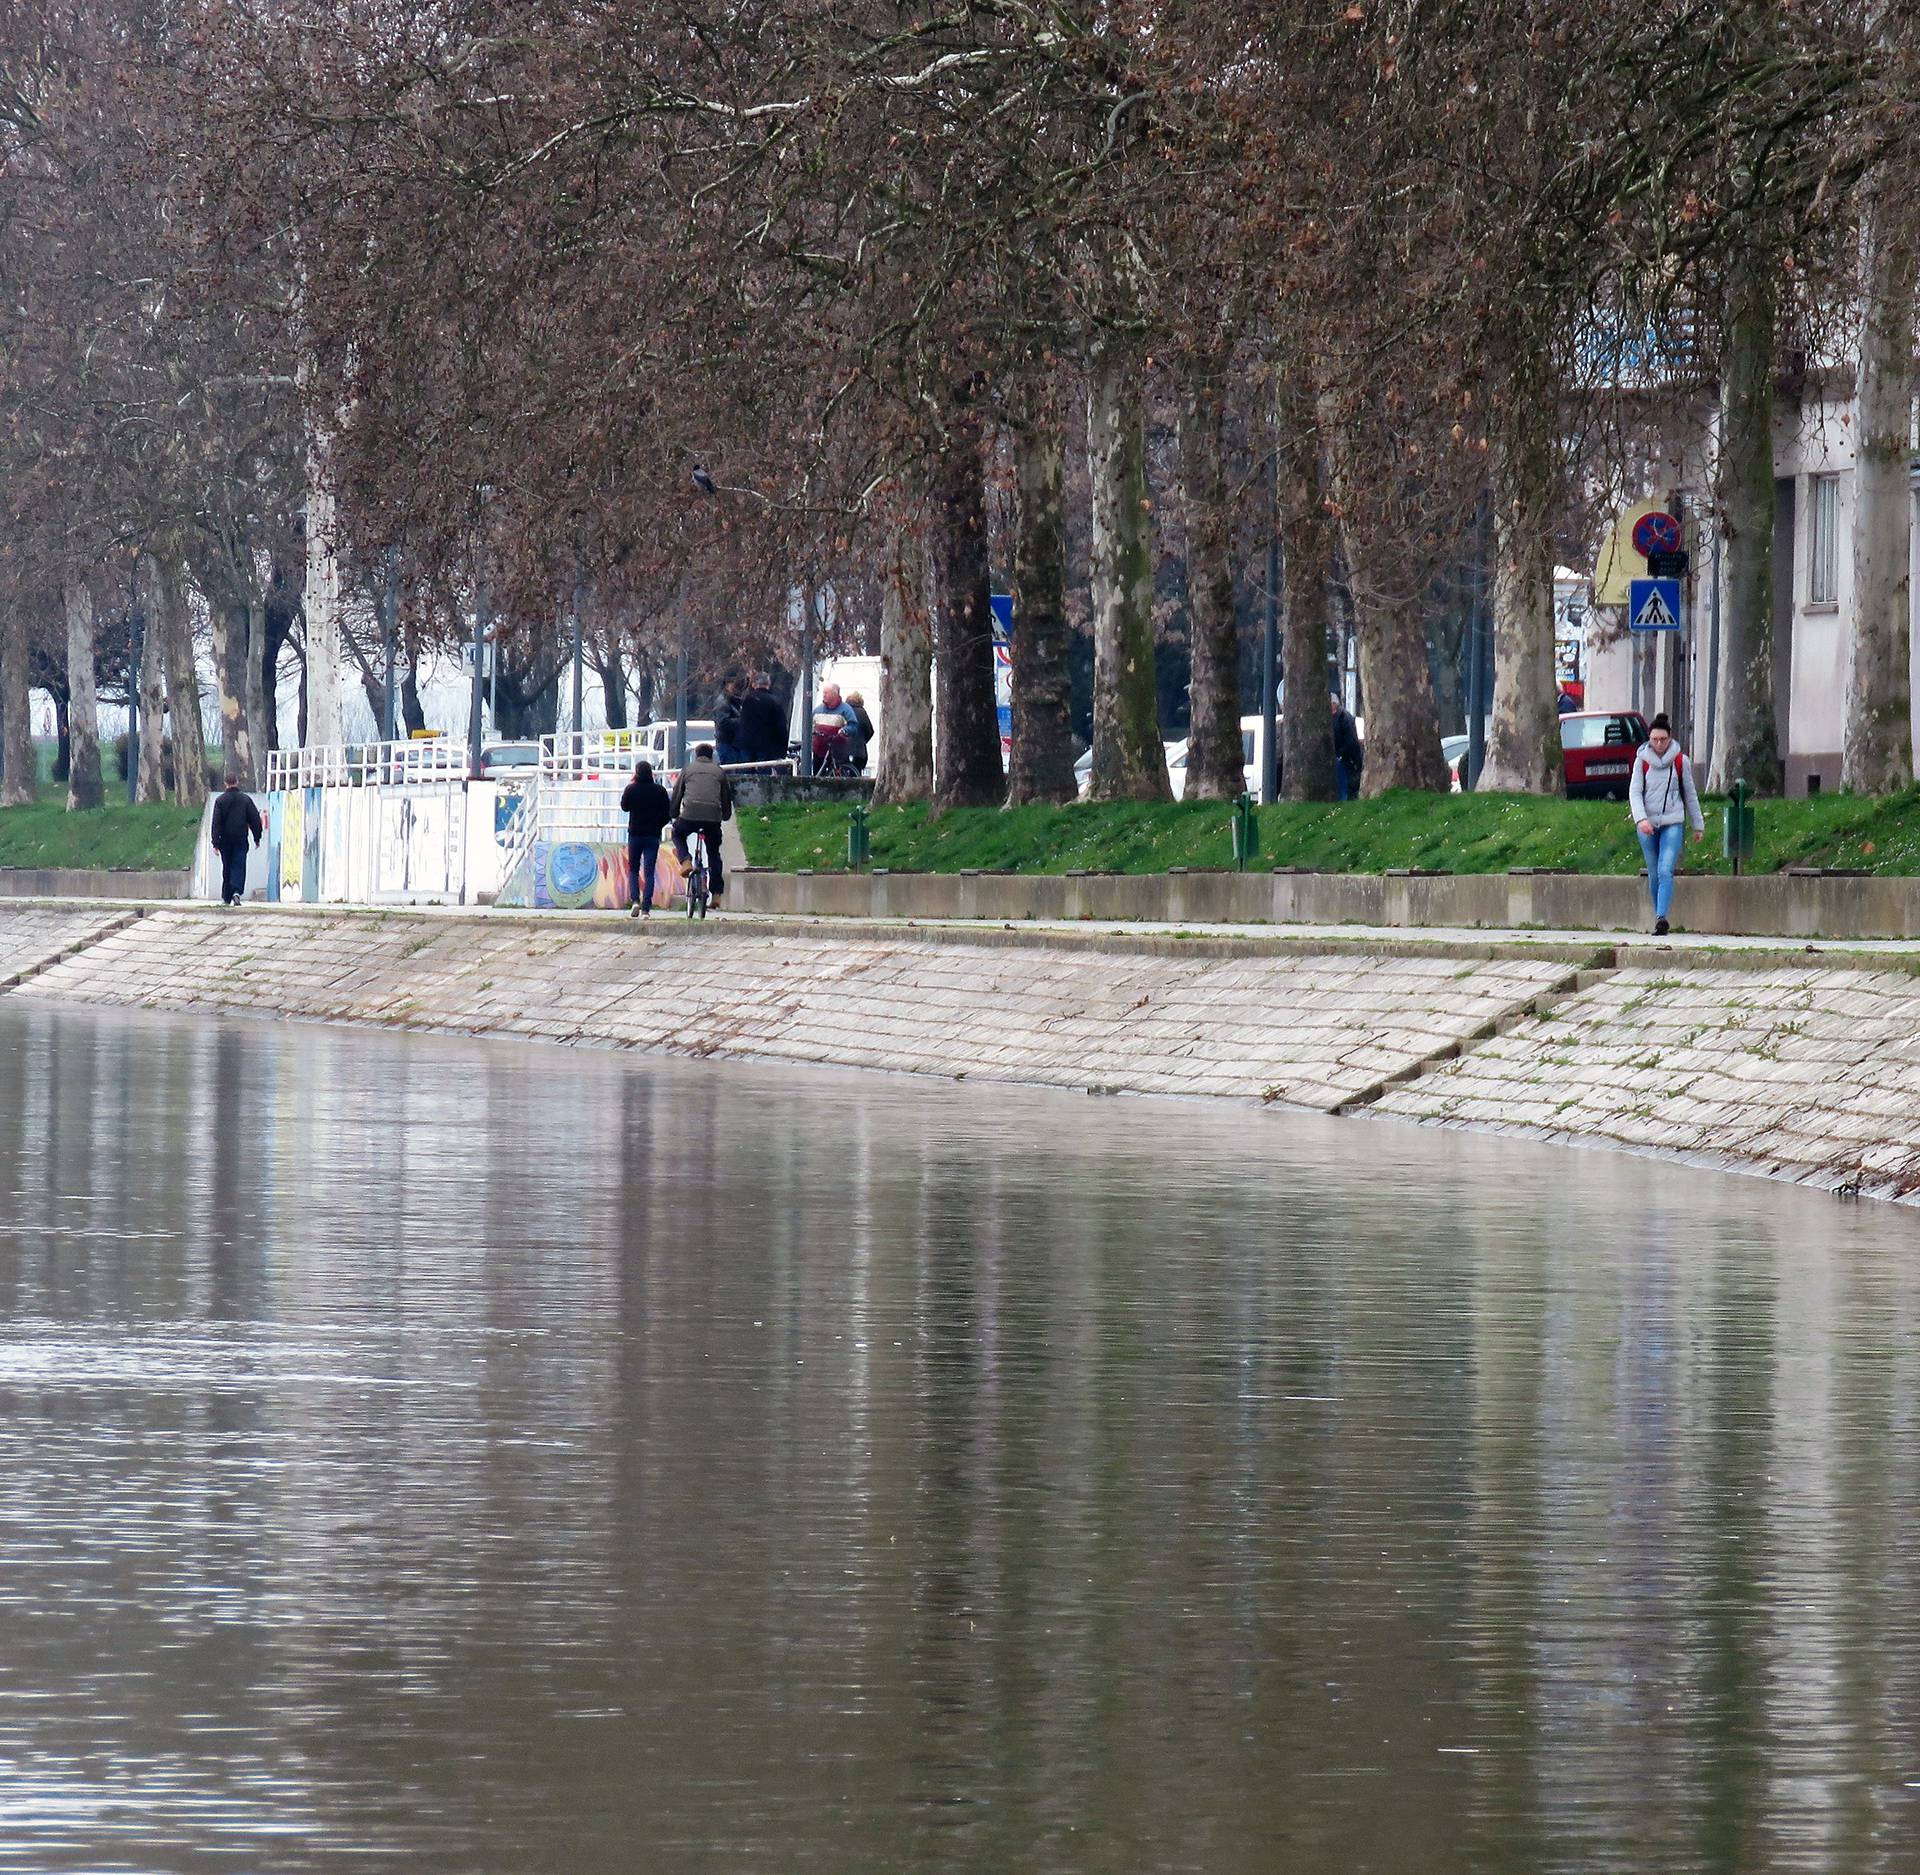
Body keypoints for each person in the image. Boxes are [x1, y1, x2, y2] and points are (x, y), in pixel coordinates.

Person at [1628, 712, 1704, 937]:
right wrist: (1641, 819)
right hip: (1647, 824)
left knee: (1665, 869)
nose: (1659, 744)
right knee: (1654, 872)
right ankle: (1657, 916)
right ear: (1649, 739)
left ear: (1670, 738)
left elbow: (1690, 794)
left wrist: (1698, 824)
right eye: (1654, 740)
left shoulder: (1680, 761)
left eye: (1663, 739)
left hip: (1673, 821)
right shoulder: (1641, 761)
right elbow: (1635, 792)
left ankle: (1662, 917)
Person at [669, 742, 734, 905]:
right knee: (713, 853)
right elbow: (726, 798)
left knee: (677, 833)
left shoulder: (688, 770)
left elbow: (677, 794)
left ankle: (685, 860)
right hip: (712, 818)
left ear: (696, 755)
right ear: (711, 756)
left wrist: (674, 814)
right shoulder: (719, 772)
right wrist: (725, 815)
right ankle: (717, 893)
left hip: (690, 814)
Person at [619, 758, 673, 919]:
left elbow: (624, 806)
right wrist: (657, 826)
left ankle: (635, 900)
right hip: (652, 836)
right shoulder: (660, 791)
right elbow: (667, 814)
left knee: (634, 870)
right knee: (649, 872)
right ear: (651, 773)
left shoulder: (631, 789)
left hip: (635, 834)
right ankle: (646, 909)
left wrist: (631, 784)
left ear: (636, 773)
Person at [209, 773, 263, 907]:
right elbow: (255, 819)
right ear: (237, 781)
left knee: (227, 867)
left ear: (225, 783)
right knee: (239, 865)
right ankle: (237, 891)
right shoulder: (245, 800)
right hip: (240, 838)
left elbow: (216, 823)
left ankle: (226, 896)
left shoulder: (220, 801)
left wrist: (215, 843)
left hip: (225, 840)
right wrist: (257, 837)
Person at [741, 671, 786, 763]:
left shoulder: (747, 700)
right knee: (764, 774)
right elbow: (781, 727)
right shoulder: (774, 701)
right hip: (766, 746)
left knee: (745, 773)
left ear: (755, 684)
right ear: (768, 684)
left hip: (746, 744)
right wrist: (782, 748)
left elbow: (741, 721)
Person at [1330, 692, 1364, 802]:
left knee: (1346, 781)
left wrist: (1340, 753)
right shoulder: (1337, 717)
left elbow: (1351, 740)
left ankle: (1345, 799)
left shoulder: (1343, 717)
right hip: (1342, 755)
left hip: (1346, 757)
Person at [713, 671, 749, 768]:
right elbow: (723, 722)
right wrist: (742, 721)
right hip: (727, 743)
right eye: (733, 684)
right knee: (731, 771)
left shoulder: (735, 702)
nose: (737, 688)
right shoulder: (723, 702)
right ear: (727, 685)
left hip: (734, 743)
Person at [844, 690, 875, 772]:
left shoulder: (844, 711)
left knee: (841, 770)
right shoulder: (862, 712)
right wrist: (863, 741)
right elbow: (870, 731)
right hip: (859, 751)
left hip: (843, 749)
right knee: (856, 772)